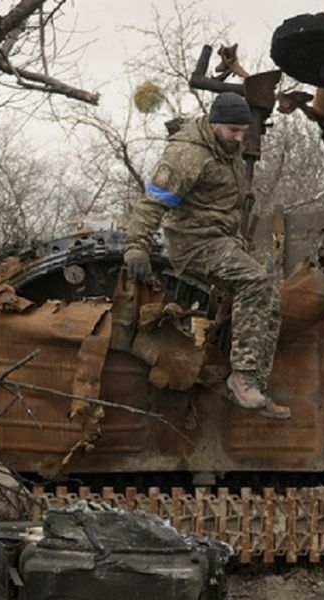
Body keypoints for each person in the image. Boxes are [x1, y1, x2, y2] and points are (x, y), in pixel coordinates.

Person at [122, 92, 289, 421]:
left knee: (270, 292)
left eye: (243, 131)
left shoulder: (226, 148)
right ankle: (242, 379)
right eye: (233, 131)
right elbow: (154, 201)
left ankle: (252, 383)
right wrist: (136, 244)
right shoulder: (187, 155)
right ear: (213, 124)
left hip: (218, 239)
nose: (239, 138)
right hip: (193, 243)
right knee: (254, 282)